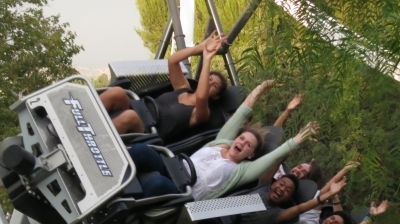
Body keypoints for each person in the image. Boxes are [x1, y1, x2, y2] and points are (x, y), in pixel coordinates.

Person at [126, 80, 319, 200]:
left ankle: (126, 202)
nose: (242, 143)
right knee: (141, 150)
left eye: (248, 145)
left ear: (250, 154)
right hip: (173, 168)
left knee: (157, 183)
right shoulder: (222, 142)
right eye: (242, 138)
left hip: (183, 190)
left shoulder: (242, 170)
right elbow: (242, 112)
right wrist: (261, 88)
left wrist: (301, 137)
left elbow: (277, 153)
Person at [100, 34, 228, 139]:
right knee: (117, 92)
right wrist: (201, 48)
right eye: (209, 79)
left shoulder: (201, 112)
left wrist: (207, 59)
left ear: (216, 96)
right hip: (140, 108)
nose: (209, 83)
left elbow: (201, 96)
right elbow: (172, 61)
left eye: (214, 85)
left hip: (147, 131)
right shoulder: (183, 87)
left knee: (129, 116)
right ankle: (83, 119)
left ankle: (95, 140)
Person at [234, 174, 348, 224]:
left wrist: (330, 194)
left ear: (288, 198)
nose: (282, 189)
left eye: (288, 190)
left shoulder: (277, 214)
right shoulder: (262, 188)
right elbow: (275, 161)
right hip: (220, 211)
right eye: (281, 184)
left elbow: (300, 208)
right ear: (274, 183)